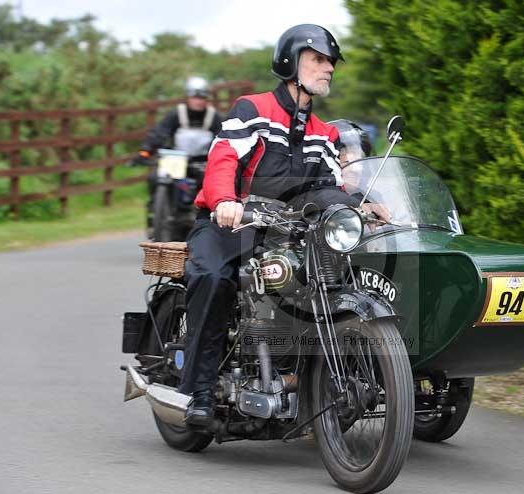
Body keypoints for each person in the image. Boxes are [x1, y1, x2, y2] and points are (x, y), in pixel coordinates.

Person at [179, 24, 358, 426]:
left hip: (284, 233)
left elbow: (328, 187)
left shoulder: (323, 132)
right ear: (290, 62)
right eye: (318, 59)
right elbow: (223, 158)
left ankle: (296, 374)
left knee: (332, 277)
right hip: (232, 225)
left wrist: (355, 209)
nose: (327, 68)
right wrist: (225, 200)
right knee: (213, 277)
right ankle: (201, 391)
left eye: (330, 62)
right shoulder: (253, 110)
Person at [134, 76, 223, 235]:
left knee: (210, 185)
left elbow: (222, 138)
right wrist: (145, 151)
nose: (198, 101)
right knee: (155, 178)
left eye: (202, 97)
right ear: (188, 97)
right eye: (195, 97)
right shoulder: (176, 114)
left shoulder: (214, 117)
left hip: (203, 161)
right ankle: (155, 215)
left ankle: (206, 222)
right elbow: (160, 133)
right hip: (177, 159)